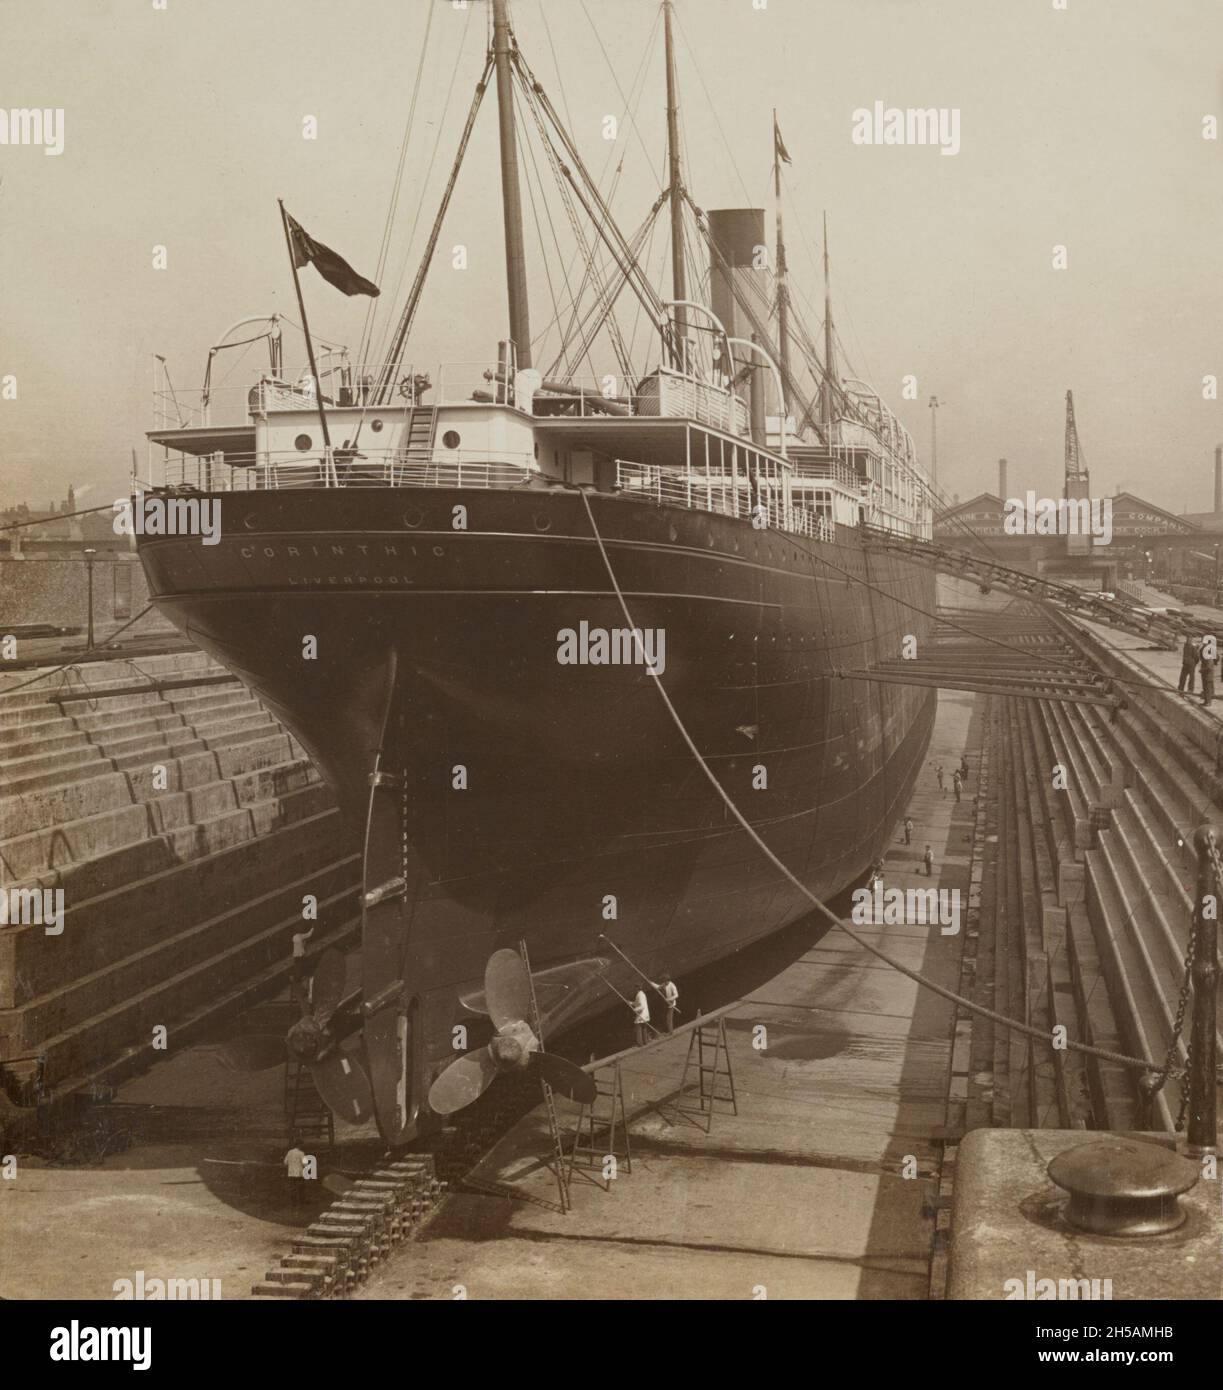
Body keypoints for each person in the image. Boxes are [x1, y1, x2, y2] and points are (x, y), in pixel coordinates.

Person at [284, 1136, 309, 1208]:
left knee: (293, 1188)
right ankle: (301, 1202)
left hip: (291, 1173)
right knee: (300, 1188)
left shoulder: (289, 1152)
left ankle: (293, 1203)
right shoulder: (301, 1153)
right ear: (299, 1145)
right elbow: (305, 1164)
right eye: (301, 1145)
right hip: (299, 1174)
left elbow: (285, 1162)